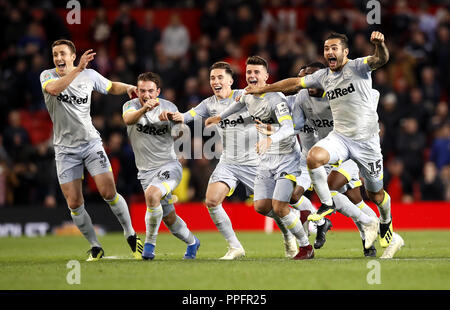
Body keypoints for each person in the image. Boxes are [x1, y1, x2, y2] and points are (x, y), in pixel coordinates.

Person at [246, 32, 404, 259]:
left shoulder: (358, 67)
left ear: (345, 52)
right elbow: (293, 84)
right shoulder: (322, 77)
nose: (330, 52)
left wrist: (380, 44)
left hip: (366, 143)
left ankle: (384, 222)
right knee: (314, 158)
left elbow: (380, 60)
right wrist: (263, 89)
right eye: (326, 48)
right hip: (339, 139)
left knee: (375, 194)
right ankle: (327, 206)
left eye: (334, 48)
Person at [161, 61, 299, 259]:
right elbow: (187, 116)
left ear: (230, 81)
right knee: (211, 200)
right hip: (228, 162)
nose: (215, 81)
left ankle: (288, 235)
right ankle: (235, 247)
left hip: (256, 162)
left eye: (220, 77)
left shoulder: (246, 96)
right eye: (212, 78)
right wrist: (175, 116)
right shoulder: (209, 104)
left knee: (269, 208)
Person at [254, 62, 380, 257]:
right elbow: (293, 126)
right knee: (294, 195)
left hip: (345, 152)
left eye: (309, 77)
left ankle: (369, 235)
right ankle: (324, 222)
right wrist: (273, 129)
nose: (305, 83)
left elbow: (373, 94)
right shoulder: (297, 101)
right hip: (313, 157)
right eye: (302, 78)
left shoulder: (337, 96)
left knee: (352, 198)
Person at [40, 39, 142, 261]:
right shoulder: (47, 76)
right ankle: (95, 246)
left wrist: (129, 88)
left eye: (62, 54)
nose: (58, 58)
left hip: (90, 143)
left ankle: (130, 233)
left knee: (108, 192)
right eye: (55, 54)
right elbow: (55, 89)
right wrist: (78, 70)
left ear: (72, 55)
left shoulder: (90, 75)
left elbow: (110, 86)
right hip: (65, 150)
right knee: (74, 203)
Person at [205, 56, 314, 260]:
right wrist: (220, 117)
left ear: (266, 76)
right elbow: (238, 106)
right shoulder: (247, 94)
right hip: (265, 159)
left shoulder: (276, 99)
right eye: (249, 72)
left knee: (280, 206)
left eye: (256, 72)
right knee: (262, 207)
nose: (252, 76)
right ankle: (296, 219)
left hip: (286, 157)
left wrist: (271, 139)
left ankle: (305, 246)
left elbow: (289, 128)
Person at [122, 72, 200, 260]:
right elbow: (128, 120)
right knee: (169, 219)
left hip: (168, 166)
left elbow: (180, 133)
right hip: (145, 172)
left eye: (150, 91)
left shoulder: (168, 106)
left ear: (158, 91)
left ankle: (149, 246)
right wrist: (144, 110)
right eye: (142, 91)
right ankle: (193, 242)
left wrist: (173, 120)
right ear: (137, 91)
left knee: (151, 195)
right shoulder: (129, 106)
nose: (146, 95)